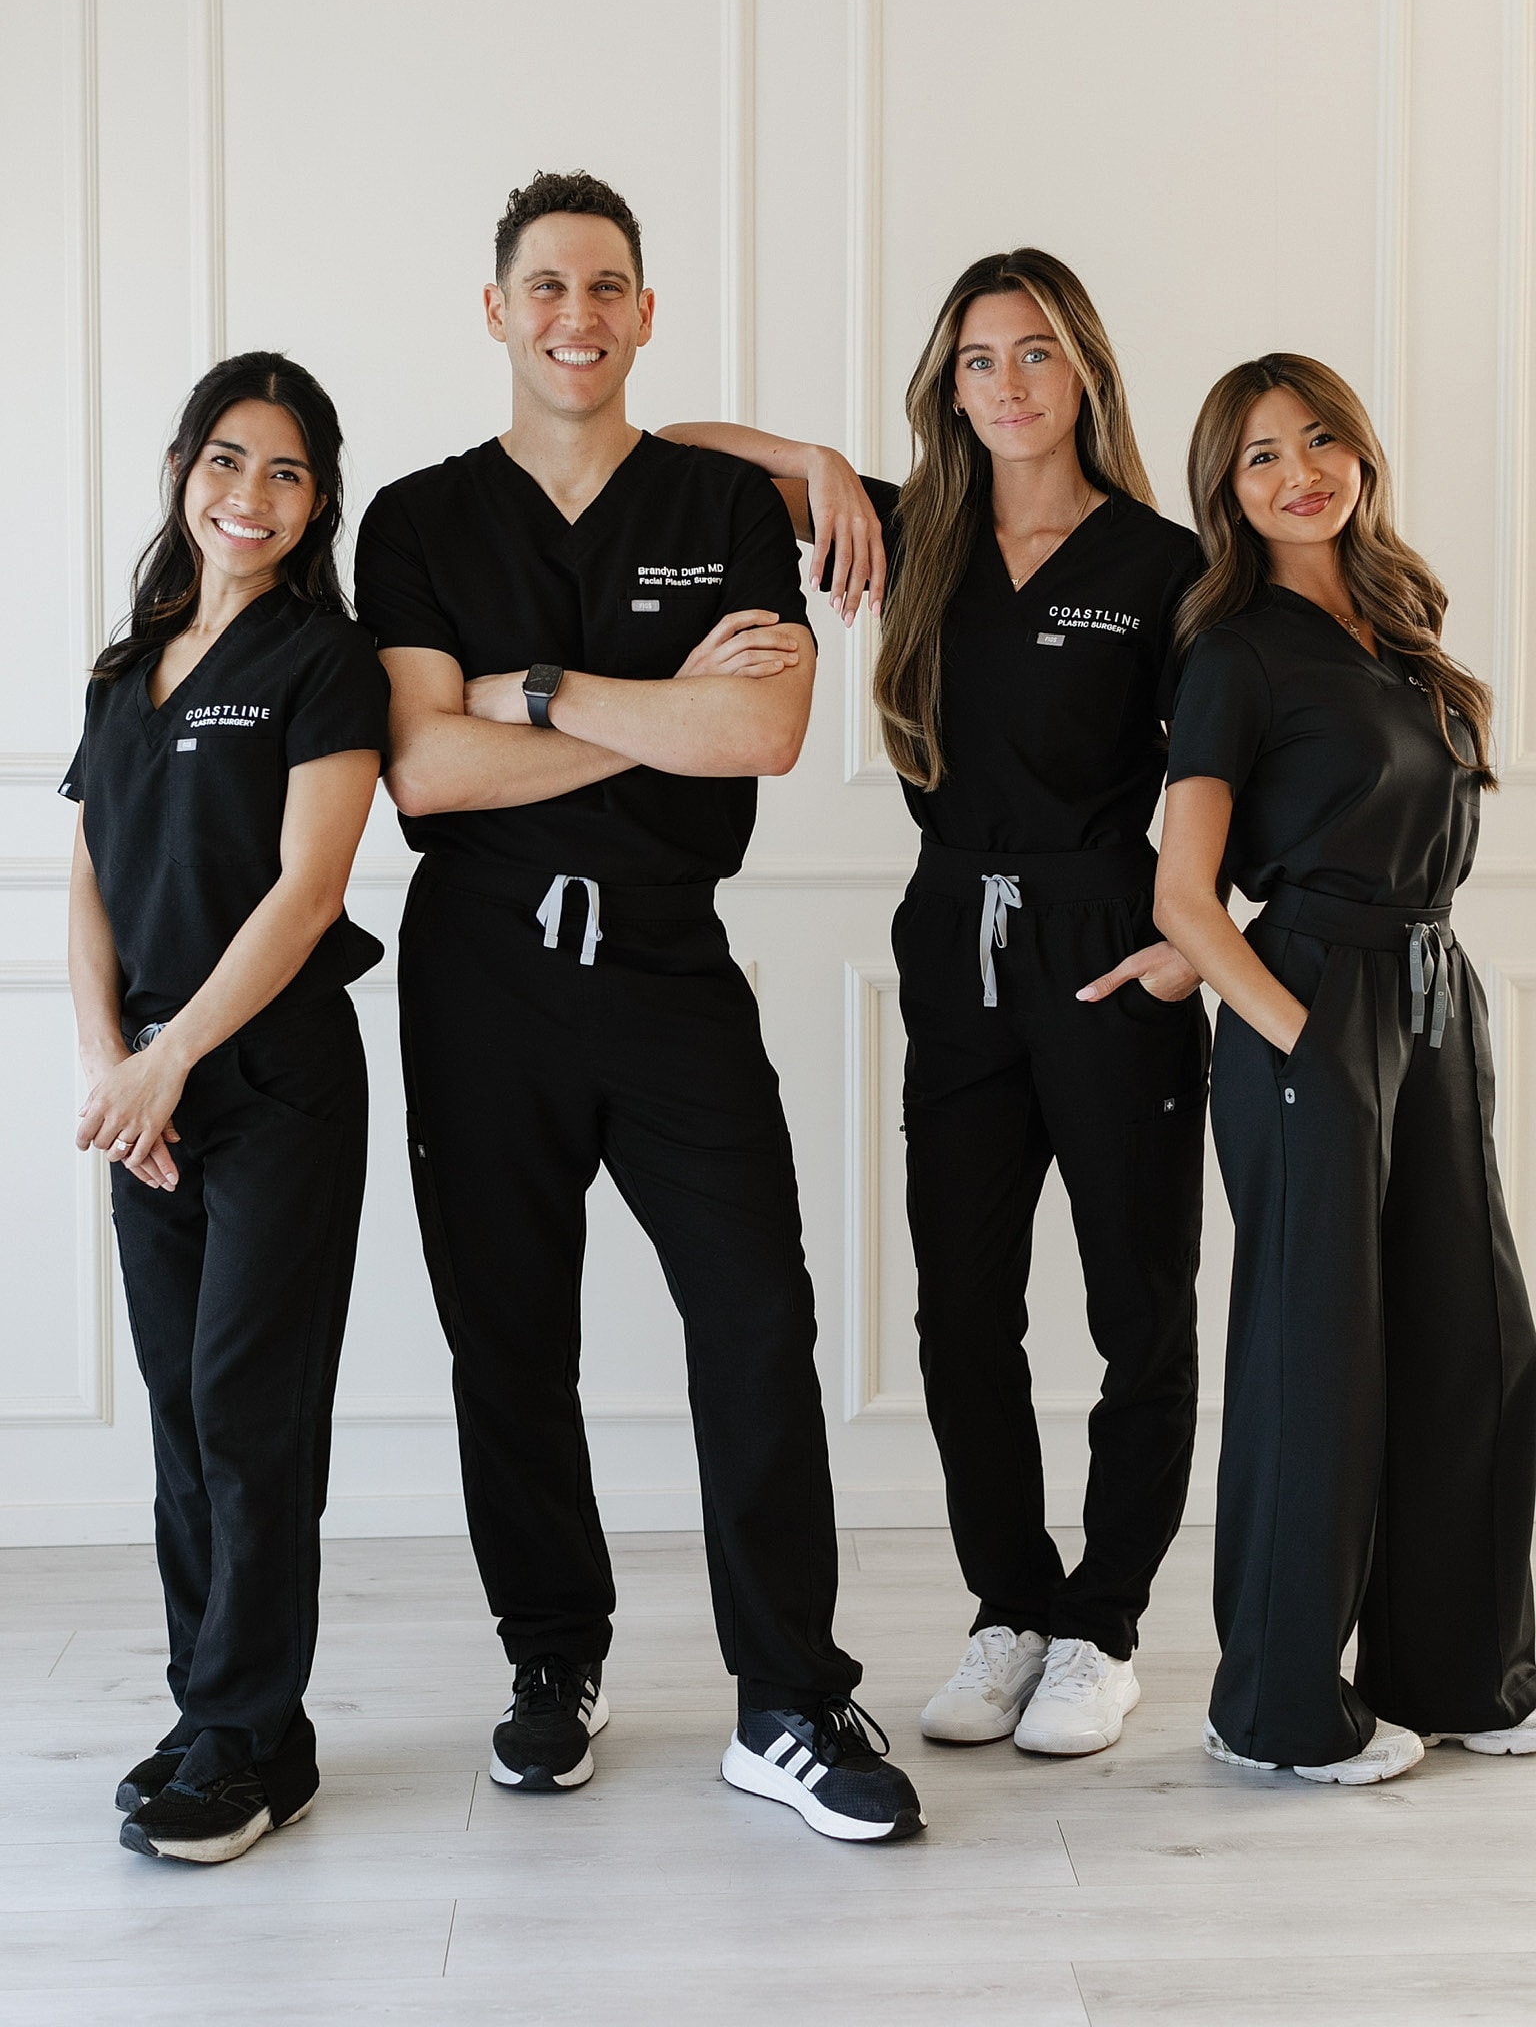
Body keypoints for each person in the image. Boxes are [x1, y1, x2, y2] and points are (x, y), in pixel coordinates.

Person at [352, 169, 924, 1844]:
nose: (577, 317)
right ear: (497, 312)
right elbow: (427, 771)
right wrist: (656, 709)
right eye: (546, 287)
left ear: (648, 313)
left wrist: (535, 690)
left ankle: (788, 1699)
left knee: (755, 1318)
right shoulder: (417, 519)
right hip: (483, 971)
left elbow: (760, 740)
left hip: (672, 962)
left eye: (607, 288)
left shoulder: (725, 508)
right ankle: (553, 1659)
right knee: (508, 1337)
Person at [661, 247, 1209, 1759]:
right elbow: (671, 452)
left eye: (1037, 354)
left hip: (1110, 944)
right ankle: (1012, 1609)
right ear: (947, 386)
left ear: (1085, 370)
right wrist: (814, 462)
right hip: (952, 938)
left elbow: (1255, 762)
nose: (1011, 385)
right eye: (980, 359)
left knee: (1136, 1305)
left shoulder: (1164, 566)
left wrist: (1197, 938)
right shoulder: (910, 537)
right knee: (963, 1310)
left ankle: (1103, 1625)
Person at [1155, 352, 1536, 1785]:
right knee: (1322, 1364)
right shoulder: (1233, 652)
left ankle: (1462, 1676)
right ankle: (1276, 1708)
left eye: (1320, 439)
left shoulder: (1398, 624)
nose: (1298, 470)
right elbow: (1185, 897)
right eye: (1260, 455)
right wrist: (1307, 1037)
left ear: (1361, 455)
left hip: (1436, 995)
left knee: (1475, 1338)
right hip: (1313, 1009)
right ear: (1228, 493)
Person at [63, 353, 389, 1862]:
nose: (248, 496)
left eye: (285, 472)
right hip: (152, 1094)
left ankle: (247, 1738)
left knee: (255, 1421)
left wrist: (174, 1055)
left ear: (316, 501)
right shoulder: (127, 672)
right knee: (187, 1425)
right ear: (186, 469)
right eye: (226, 461)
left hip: (268, 1083)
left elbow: (309, 887)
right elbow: (91, 885)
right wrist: (114, 1068)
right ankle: (226, 1717)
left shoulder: (324, 661)